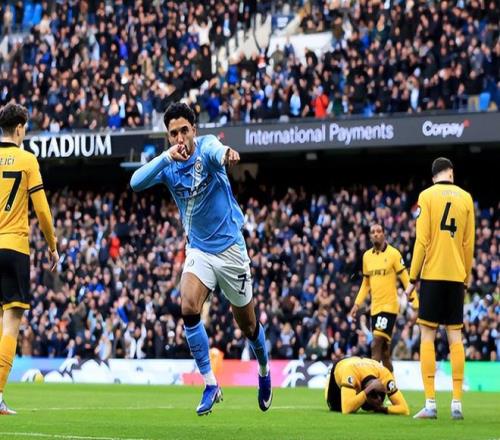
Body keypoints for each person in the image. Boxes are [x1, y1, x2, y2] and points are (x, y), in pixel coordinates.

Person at [130, 102, 271, 415]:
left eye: (184, 130)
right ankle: (210, 383)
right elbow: (135, 182)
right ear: (168, 137)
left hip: (230, 249)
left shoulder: (206, 147)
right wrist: (166, 157)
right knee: (188, 306)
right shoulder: (168, 164)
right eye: (173, 133)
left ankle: (263, 369)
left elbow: (218, 152)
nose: (180, 138)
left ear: (194, 129)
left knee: (248, 326)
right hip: (199, 251)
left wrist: (228, 154)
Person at [404, 157, 475, 420]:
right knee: (456, 338)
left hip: (432, 275)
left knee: (427, 336)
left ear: (433, 175)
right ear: (451, 173)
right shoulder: (466, 198)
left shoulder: (426, 196)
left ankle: (431, 403)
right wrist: (465, 277)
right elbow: (469, 244)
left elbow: (422, 241)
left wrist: (412, 278)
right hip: (456, 276)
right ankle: (457, 403)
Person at [0, 103, 58, 415]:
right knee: (11, 322)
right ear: (20, 128)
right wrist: (52, 245)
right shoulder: (27, 160)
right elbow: (43, 211)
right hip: (14, 248)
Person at [349, 223, 418, 371]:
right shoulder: (367, 257)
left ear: (384, 234)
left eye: (379, 231)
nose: (375, 234)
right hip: (375, 309)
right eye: (373, 232)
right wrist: (356, 304)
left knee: (376, 343)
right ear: (370, 236)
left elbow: (405, 278)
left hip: (389, 307)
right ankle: (391, 383)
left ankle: (372, 381)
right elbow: (366, 284)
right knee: (385, 353)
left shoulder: (394, 254)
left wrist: (415, 302)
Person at [324, 356, 409, 415]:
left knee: (361, 404)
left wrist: (383, 409)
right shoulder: (350, 372)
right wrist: (368, 389)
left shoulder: (385, 376)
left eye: (382, 395)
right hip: (343, 365)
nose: (379, 400)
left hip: (365, 364)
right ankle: (329, 375)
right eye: (374, 395)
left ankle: (358, 395)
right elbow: (346, 409)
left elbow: (405, 409)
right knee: (336, 408)